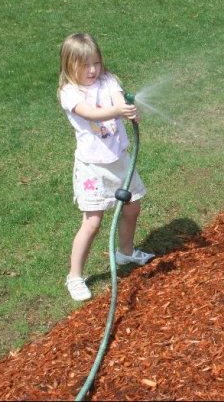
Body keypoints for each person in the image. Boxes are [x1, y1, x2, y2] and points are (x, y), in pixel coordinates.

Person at [58, 32, 155, 301]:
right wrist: (118, 112)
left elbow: (117, 100)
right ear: (69, 65)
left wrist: (130, 110)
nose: (92, 70)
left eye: (96, 63)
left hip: (120, 160)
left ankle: (125, 253)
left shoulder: (108, 80)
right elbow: (90, 113)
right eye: (85, 65)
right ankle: (75, 277)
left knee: (132, 207)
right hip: (93, 167)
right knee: (92, 222)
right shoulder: (69, 92)